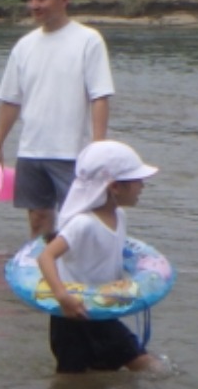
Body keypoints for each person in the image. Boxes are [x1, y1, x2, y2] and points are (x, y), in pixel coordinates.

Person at [0, 0, 115, 239]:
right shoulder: (24, 46)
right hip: (31, 150)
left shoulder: (88, 40)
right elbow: (11, 100)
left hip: (72, 152)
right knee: (38, 219)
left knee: (78, 220)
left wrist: (98, 147)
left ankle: (79, 271)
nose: (34, 5)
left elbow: (99, 96)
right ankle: (42, 270)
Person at [34, 140, 163, 375]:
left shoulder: (119, 216)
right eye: (137, 181)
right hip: (74, 316)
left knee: (125, 370)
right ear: (114, 187)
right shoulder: (83, 224)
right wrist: (63, 296)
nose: (143, 186)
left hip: (102, 311)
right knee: (74, 381)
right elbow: (46, 257)